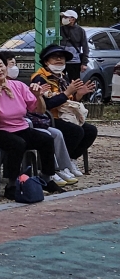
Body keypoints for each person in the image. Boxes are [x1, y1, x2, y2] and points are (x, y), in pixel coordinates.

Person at [0, 51, 60, 196]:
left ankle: (46, 178)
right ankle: (12, 184)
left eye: (1, 65)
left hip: (20, 127)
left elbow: (40, 111)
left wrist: (38, 97)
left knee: (46, 139)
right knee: (17, 143)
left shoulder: (18, 86)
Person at [31, 45, 97, 183]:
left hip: (65, 115)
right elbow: (46, 105)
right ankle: (60, 166)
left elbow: (69, 103)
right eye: (55, 57)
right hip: (49, 118)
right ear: (46, 61)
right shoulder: (40, 78)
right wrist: (68, 92)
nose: (59, 60)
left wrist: (78, 94)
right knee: (75, 131)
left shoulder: (62, 77)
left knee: (90, 130)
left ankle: (71, 160)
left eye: (62, 58)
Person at [58, 10, 88, 81]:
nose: (63, 18)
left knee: (75, 82)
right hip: (61, 61)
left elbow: (85, 47)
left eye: (66, 17)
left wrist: (84, 63)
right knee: (60, 81)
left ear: (73, 19)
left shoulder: (80, 31)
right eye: (63, 17)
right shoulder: (60, 29)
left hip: (74, 62)